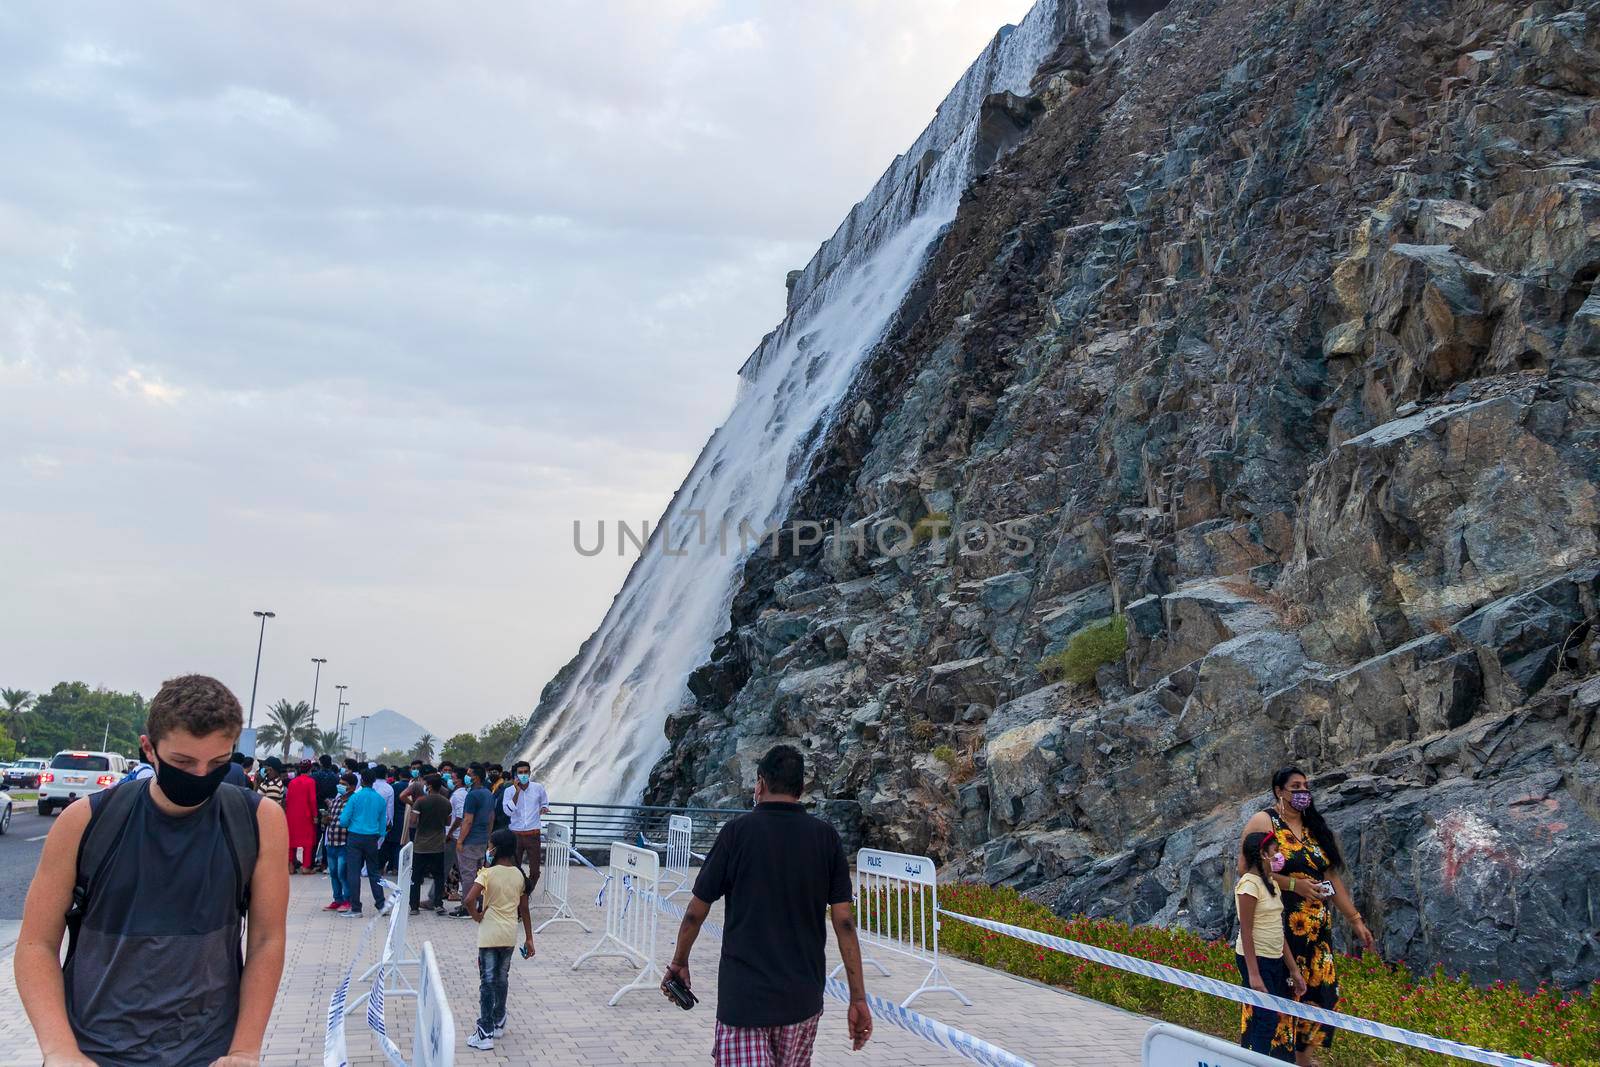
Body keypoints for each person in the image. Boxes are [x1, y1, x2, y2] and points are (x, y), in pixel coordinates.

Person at [16, 673, 289, 1066]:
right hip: (94, 1051)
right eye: (182, 761)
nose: (200, 775)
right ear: (149, 749)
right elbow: (35, 944)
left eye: (218, 762)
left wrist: (245, 1050)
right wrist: (60, 1051)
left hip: (209, 1051)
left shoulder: (258, 821)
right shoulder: (86, 821)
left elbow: (266, 940)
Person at [663, 744, 871, 1066]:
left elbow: (695, 912)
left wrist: (679, 962)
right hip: (802, 1000)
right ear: (801, 789)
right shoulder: (826, 838)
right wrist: (857, 997)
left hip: (744, 1000)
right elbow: (844, 922)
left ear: (759, 784)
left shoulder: (736, 833)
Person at [1240, 766, 1375, 1063]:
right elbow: (1247, 872)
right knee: (1280, 997)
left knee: (1322, 996)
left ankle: (1304, 1058)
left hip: (1318, 932)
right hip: (1281, 927)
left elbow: (1331, 877)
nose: (1303, 792)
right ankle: (1272, 1059)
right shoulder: (1265, 821)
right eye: (1295, 786)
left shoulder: (1314, 827)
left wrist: (1355, 920)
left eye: (1306, 787)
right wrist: (1293, 884)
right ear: (1279, 791)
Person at [1235, 831, 1306, 1061]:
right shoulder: (1249, 885)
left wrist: (1293, 969)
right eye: (1275, 850)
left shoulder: (1272, 884)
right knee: (1266, 1020)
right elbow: (1246, 930)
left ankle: (1254, 1059)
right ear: (1263, 854)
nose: (1279, 855)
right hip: (1256, 959)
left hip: (1273, 958)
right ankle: (1256, 1061)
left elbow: (1278, 929)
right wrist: (1254, 975)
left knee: (1267, 1018)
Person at [462, 829, 534, 1051]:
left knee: (487, 982)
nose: (488, 850)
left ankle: (484, 1032)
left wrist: (477, 916)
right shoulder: (519, 875)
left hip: (489, 935)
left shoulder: (487, 873)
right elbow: (524, 909)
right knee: (502, 979)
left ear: (496, 848)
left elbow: (468, 899)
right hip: (509, 934)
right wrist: (529, 939)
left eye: (490, 846)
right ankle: (499, 1019)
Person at [338, 766, 390, 917]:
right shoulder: (380, 799)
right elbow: (383, 824)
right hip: (372, 838)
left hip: (354, 837)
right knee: (374, 873)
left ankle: (356, 908)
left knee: (353, 872)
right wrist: (378, 835)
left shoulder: (355, 797)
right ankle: (381, 905)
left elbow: (343, 820)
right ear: (374, 781)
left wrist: (350, 825)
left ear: (361, 780)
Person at [449, 766, 494, 917]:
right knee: (480, 874)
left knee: (467, 875)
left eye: (469, 774)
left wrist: (460, 840)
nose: (466, 777)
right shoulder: (488, 793)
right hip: (482, 840)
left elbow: (467, 820)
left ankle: (467, 907)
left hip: (470, 841)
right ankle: (481, 903)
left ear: (477, 777)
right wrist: (488, 837)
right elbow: (491, 817)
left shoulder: (472, 795)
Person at [500, 761, 549, 890]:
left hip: (533, 835)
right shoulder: (509, 791)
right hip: (515, 835)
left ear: (530, 773)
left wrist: (544, 808)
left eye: (525, 772)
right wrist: (517, 792)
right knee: (513, 870)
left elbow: (544, 802)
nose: (523, 775)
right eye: (520, 773)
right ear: (515, 775)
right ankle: (516, 897)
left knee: (535, 872)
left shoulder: (538, 788)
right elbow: (508, 811)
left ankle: (526, 894)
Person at [408, 774, 452, 915]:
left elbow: (413, 821)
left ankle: (414, 906)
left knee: (416, 876)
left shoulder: (420, 802)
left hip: (421, 846)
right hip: (438, 845)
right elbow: (448, 822)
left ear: (430, 786)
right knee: (439, 876)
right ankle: (438, 904)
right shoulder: (446, 803)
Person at [323, 772, 357, 912]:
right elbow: (331, 818)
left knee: (343, 873)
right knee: (334, 873)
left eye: (344, 785)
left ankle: (348, 900)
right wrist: (326, 820)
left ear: (352, 787)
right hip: (332, 841)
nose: (340, 786)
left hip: (344, 842)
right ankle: (337, 899)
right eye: (340, 784)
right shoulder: (336, 800)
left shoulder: (354, 801)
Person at [285, 760, 318, 874]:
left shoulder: (292, 782)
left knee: (292, 840)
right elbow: (312, 800)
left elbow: (288, 799)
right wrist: (315, 815)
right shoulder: (311, 782)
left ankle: (290, 865)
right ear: (310, 769)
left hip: (291, 814)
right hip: (306, 814)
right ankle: (305, 866)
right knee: (308, 841)